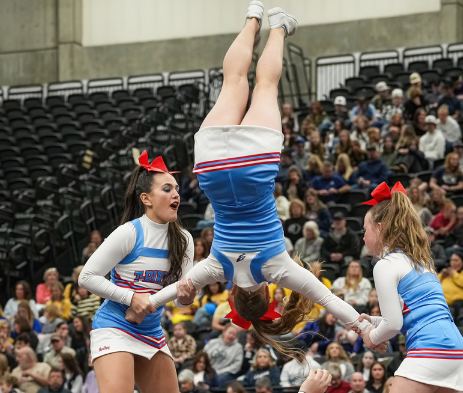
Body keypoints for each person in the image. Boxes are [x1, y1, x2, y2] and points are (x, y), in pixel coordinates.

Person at [134, 18, 369, 361]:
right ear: (232, 294)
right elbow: (163, 296)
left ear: (267, 293)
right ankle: (252, 19)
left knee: (266, 86)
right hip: (212, 168)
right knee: (232, 83)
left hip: (254, 167)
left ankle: (278, 27)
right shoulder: (216, 268)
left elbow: (328, 299)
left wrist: (364, 326)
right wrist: (145, 304)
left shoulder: (276, 268)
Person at [78, 145, 196, 393]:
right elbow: (86, 277)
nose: (176, 195)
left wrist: (187, 295)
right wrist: (131, 298)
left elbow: (184, 298)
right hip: (114, 327)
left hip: (151, 332)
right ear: (146, 198)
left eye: (177, 189)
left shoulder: (183, 240)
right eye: (167, 188)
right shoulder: (130, 232)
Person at [358, 182, 463, 393]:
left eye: (365, 229)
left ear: (379, 227)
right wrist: (373, 323)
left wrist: (371, 337)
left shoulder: (384, 265)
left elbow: (393, 325)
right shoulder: (420, 262)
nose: (363, 237)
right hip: (454, 347)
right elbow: (409, 317)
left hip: (430, 347)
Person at [439, 253, 463, 320]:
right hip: (444, 302)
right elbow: (433, 285)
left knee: (456, 305)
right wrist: (441, 276)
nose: (453, 262)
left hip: (462, 301)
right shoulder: (446, 274)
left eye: (456, 260)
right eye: (452, 260)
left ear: (462, 262)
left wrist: (454, 274)